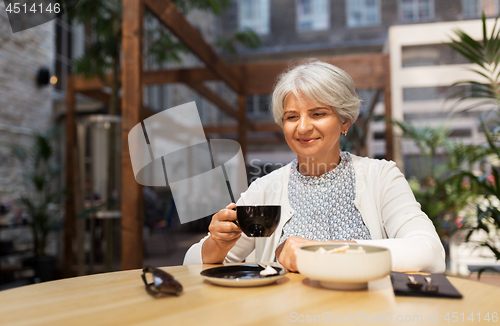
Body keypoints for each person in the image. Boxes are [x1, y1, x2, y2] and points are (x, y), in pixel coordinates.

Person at [184, 60, 445, 273]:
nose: (303, 127)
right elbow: (190, 265)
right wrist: (217, 243)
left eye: (318, 113)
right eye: (291, 117)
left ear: (345, 122)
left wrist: (325, 251)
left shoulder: (381, 177)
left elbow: (430, 252)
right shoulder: (265, 188)